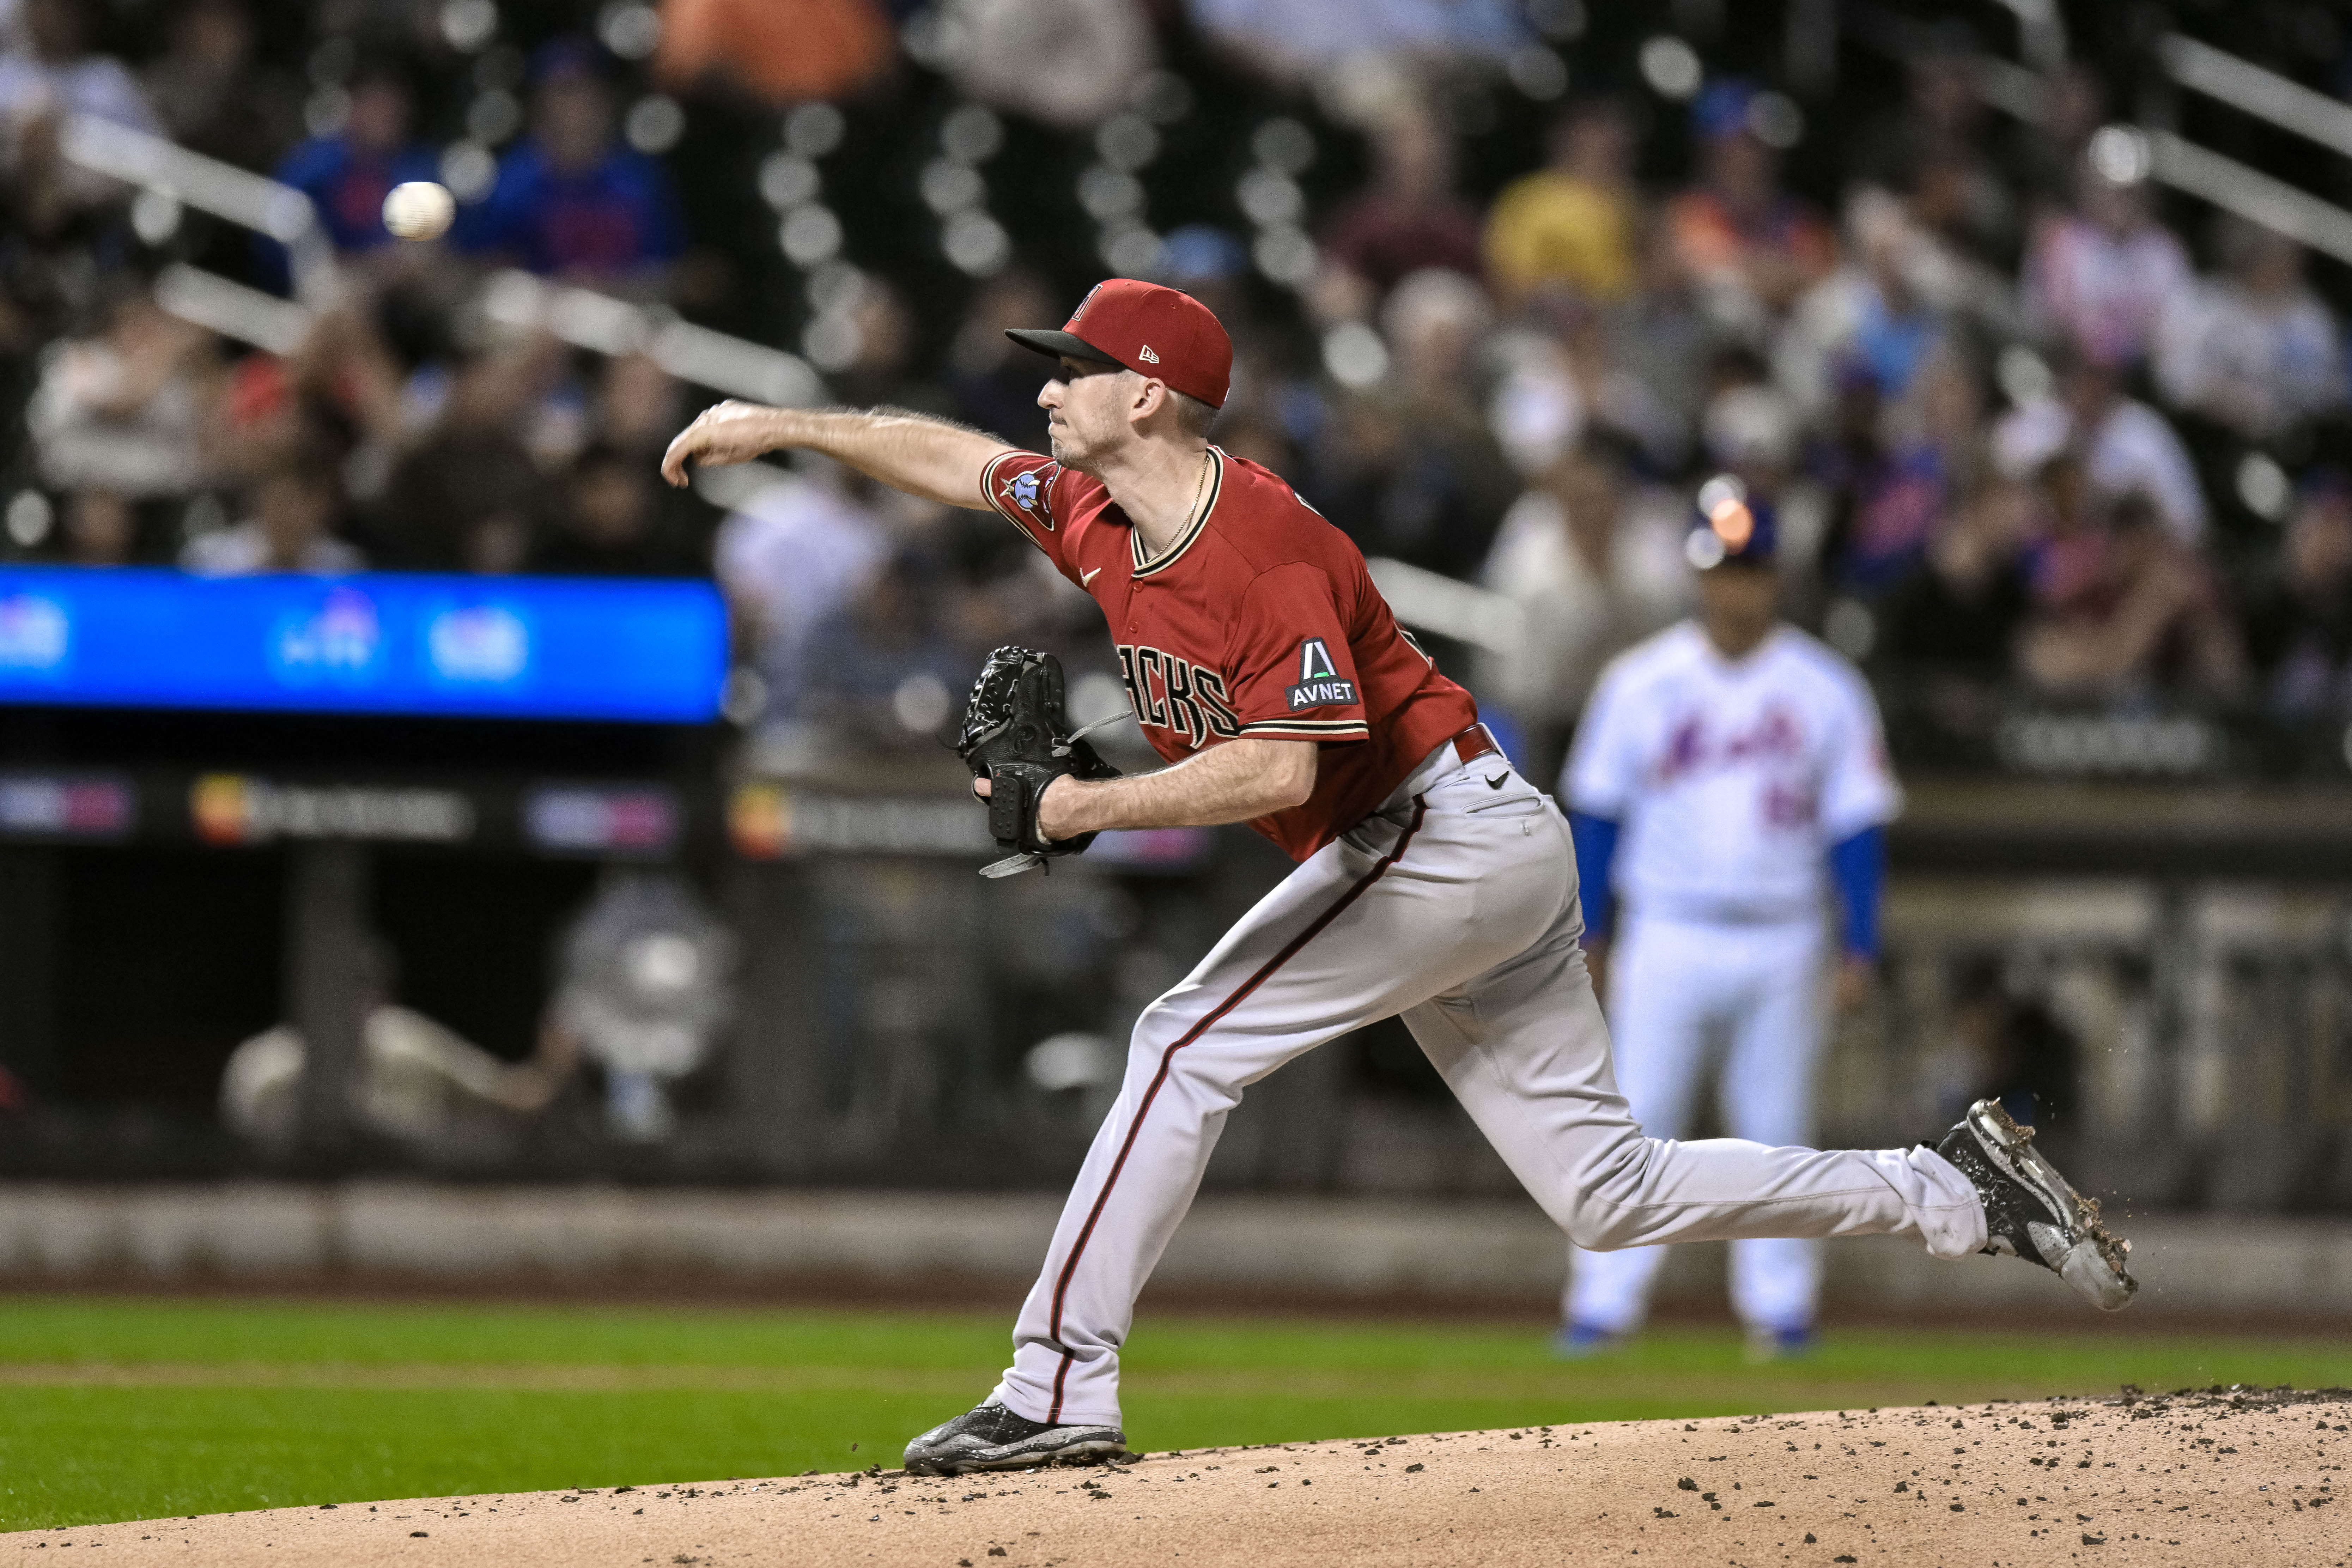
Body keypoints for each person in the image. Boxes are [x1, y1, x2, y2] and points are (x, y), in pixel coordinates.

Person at [660, 277, 2137, 1476]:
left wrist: (1080, 808)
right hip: (1457, 855)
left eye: (1075, 365)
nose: (1046, 387)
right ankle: (1945, 1190)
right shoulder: (1100, 512)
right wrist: (774, 423)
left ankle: (1055, 1383)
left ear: (1147, 393)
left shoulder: (1261, 544)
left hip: (1440, 835)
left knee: (1179, 1038)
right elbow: (957, 462)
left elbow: (1284, 770)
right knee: (1604, 1194)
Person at [1554, 486, 1902, 1359]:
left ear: (1774, 578)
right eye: (1719, 570)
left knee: (1778, 1130)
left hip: (1784, 934)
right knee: (1633, 1124)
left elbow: (1855, 826)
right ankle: (1602, 1305)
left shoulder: (1825, 686)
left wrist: (1858, 944)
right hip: (1666, 929)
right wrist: (1588, 932)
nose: (1733, 590)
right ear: (1696, 574)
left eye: (1747, 571)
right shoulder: (1640, 681)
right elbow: (1596, 817)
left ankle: (1778, 1312)